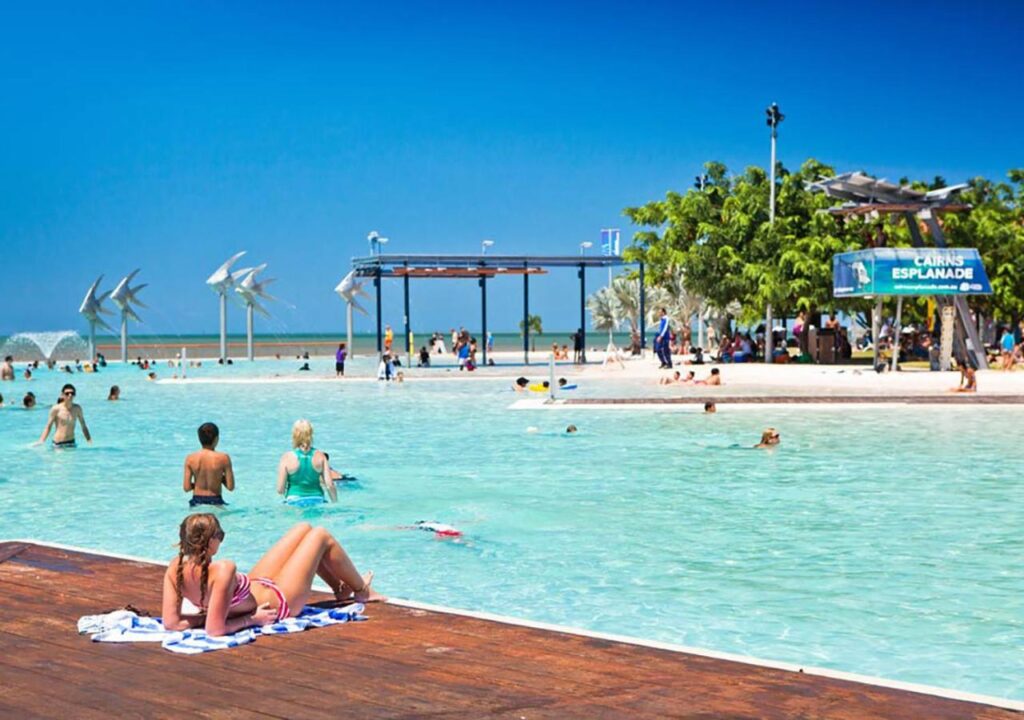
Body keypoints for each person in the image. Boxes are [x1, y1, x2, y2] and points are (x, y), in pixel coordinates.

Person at [160, 515, 382, 635]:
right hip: (280, 600)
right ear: (211, 543)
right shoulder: (223, 569)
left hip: (259, 585)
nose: (222, 539)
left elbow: (171, 622)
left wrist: (207, 616)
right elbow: (214, 630)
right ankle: (362, 591)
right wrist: (250, 620)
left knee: (303, 528)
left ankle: (340, 589)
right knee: (320, 535)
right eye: (221, 535)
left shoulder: (174, 569)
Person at [277, 419, 337, 504]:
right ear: (311, 434)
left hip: (294, 500)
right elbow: (330, 485)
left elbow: (280, 490)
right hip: (317, 499)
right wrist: (335, 502)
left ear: (294, 435)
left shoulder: (286, 457)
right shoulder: (321, 456)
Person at [183, 422, 235, 507]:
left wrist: (198, 484)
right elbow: (230, 487)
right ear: (216, 439)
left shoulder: (190, 458)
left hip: (197, 501)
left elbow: (186, 488)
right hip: (216, 500)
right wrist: (220, 479)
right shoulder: (224, 458)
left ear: (199, 438)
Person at [36, 383, 90, 447]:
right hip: (58, 443)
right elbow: (48, 426)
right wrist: (41, 440)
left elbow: (83, 426)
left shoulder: (77, 408)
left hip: (71, 443)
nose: (70, 395)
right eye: (67, 393)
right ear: (62, 395)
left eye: (72, 393)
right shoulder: (56, 409)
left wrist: (89, 440)